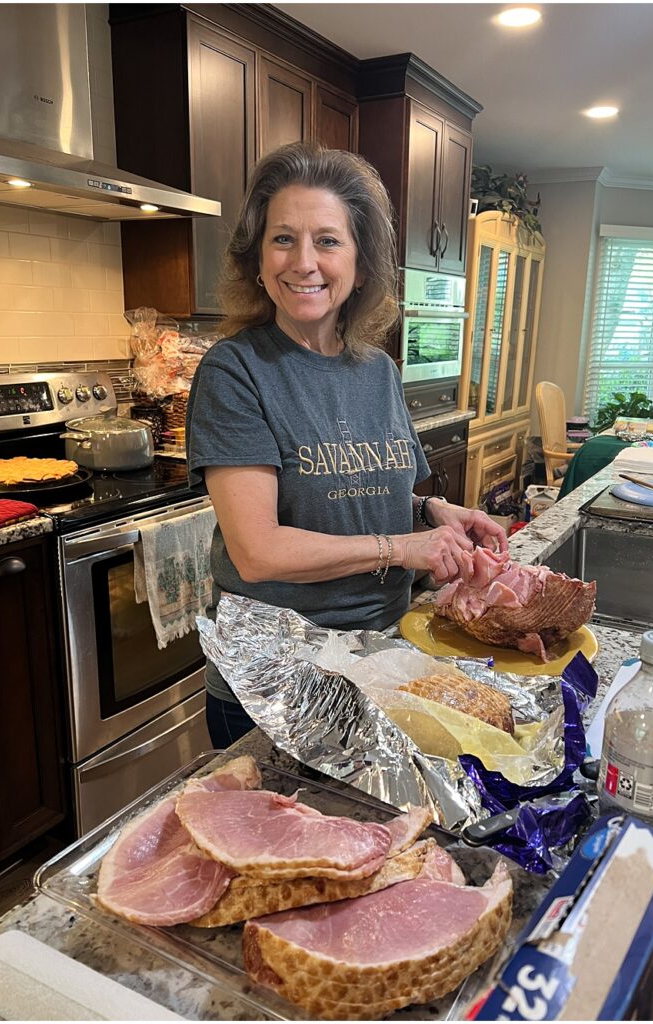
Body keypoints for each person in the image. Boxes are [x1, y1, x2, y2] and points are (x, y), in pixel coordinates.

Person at [186, 141, 508, 749]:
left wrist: (435, 515)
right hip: (277, 685)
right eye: (282, 238)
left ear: (361, 264)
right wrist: (405, 546)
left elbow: (363, 494)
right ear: (257, 260)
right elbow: (257, 551)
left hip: (381, 657)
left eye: (327, 241)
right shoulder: (236, 370)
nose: (303, 261)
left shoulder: (377, 371)